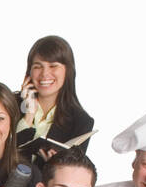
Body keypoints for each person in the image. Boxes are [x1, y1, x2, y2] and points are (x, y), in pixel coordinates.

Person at [15, 35, 94, 168]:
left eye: (53, 66)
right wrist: (28, 115)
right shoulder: (8, 105)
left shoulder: (81, 122)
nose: (45, 74)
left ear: (68, 71)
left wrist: (54, 166)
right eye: (37, 66)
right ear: (29, 72)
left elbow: (72, 176)